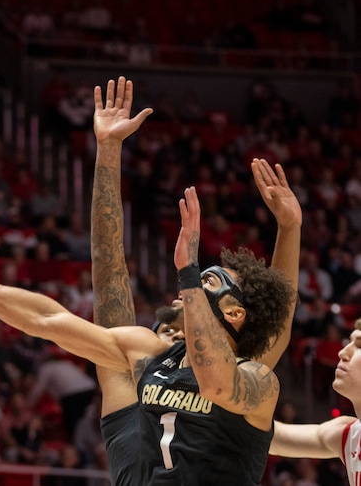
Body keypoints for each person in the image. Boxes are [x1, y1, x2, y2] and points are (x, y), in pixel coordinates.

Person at [0, 194, 297, 485]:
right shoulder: (153, 353)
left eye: (211, 281)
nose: (184, 292)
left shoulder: (258, 381)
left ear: (234, 313)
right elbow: (49, 319)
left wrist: (190, 271)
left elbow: (217, 382)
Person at [89, 77, 302, 485]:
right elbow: (108, 267)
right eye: (169, 329)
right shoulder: (131, 383)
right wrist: (107, 153)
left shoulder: (236, 375)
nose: (180, 335)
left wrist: (289, 229)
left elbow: (276, 317)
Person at [269, 318, 361, 486]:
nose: (342, 352)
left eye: (359, 346)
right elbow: (274, 439)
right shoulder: (348, 435)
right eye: (350, 342)